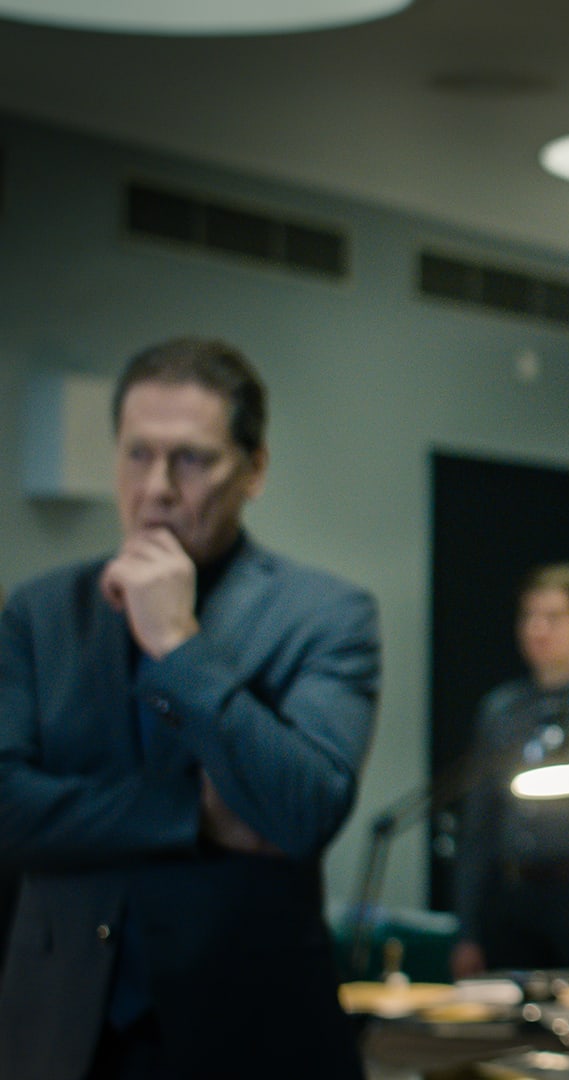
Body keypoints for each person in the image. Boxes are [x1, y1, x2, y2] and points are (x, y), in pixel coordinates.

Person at [0, 337, 380, 1079]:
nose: (157, 487)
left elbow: (303, 811)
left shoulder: (327, 614)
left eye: (192, 460)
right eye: (137, 454)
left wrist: (179, 643)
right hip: (63, 1033)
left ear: (254, 470)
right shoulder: (39, 612)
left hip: (249, 1031)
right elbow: (7, 806)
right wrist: (192, 817)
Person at [450, 563, 569, 978]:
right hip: (513, 894)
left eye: (553, 617)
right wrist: (468, 933)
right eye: (529, 617)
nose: (538, 630)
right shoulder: (501, 709)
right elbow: (479, 827)